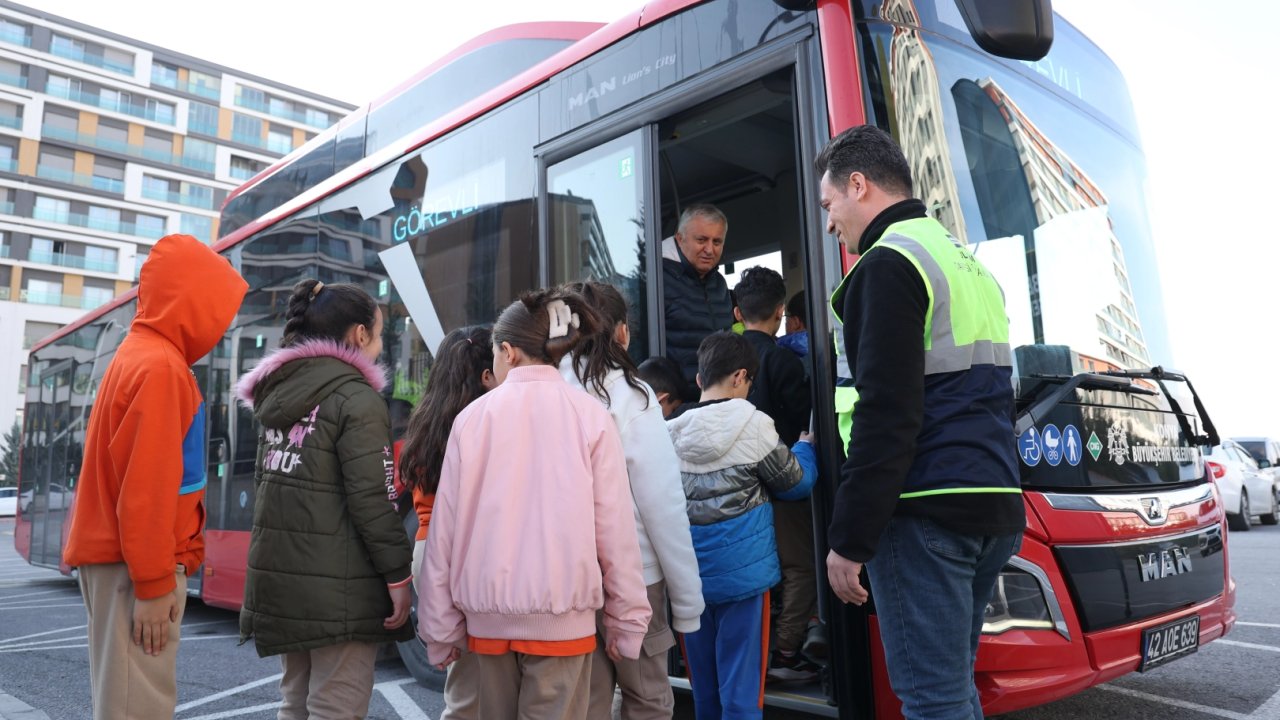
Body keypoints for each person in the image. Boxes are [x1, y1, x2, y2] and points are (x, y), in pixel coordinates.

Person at [816, 124, 1025, 720]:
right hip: (992, 502)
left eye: (830, 205)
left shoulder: (888, 264)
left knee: (934, 702)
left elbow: (886, 414)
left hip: (924, 511)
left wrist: (849, 538)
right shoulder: (967, 263)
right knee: (953, 693)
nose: (830, 224)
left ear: (858, 186)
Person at [420, 288, 652, 720]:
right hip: (565, 624)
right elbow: (617, 535)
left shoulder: (471, 420)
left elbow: (443, 538)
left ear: (507, 351)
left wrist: (439, 628)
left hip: (485, 626)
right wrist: (627, 621)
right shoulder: (590, 416)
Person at [63, 233, 247, 720]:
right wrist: (151, 585)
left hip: (119, 562)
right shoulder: (163, 367)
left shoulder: (136, 354)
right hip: (135, 567)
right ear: (191, 302)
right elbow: (147, 492)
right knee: (137, 706)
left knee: (122, 699)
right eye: (215, 307)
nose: (221, 324)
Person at [236, 279, 414, 720]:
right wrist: (398, 578)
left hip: (280, 583)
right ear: (358, 335)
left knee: (294, 704)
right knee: (336, 707)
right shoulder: (356, 398)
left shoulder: (278, 392)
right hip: (342, 591)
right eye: (377, 333)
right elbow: (374, 500)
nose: (378, 346)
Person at [561, 280, 704, 720]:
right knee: (647, 700)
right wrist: (688, 601)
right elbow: (662, 505)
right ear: (621, 332)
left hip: (567, 576)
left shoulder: (548, 389)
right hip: (635, 576)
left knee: (588, 701)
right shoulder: (633, 395)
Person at [667, 331, 817, 720]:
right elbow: (795, 484)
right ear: (740, 377)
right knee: (742, 689)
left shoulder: (668, 432)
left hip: (690, 580)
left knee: (705, 687)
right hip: (744, 581)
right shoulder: (753, 424)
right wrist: (805, 448)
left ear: (700, 380)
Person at [397, 326, 496, 720]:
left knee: (462, 682)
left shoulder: (426, 420)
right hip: (470, 549)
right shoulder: (484, 421)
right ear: (486, 373)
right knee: (492, 676)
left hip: (426, 550)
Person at [731, 267, 820, 682]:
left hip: (737, 488)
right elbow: (806, 424)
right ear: (781, 312)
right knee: (800, 567)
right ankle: (785, 650)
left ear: (737, 311)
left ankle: (757, 647)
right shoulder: (784, 361)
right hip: (782, 484)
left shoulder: (724, 359)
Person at [662, 203, 735, 391]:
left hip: (716, 398)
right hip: (674, 405)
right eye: (702, 240)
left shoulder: (719, 284)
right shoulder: (656, 279)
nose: (709, 250)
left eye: (717, 242)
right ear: (680, 239)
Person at [778, 291, 812, 379]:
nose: (786, 322)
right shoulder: (834, 348)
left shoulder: (780, 354)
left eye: (787, 317)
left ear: (796, 322)